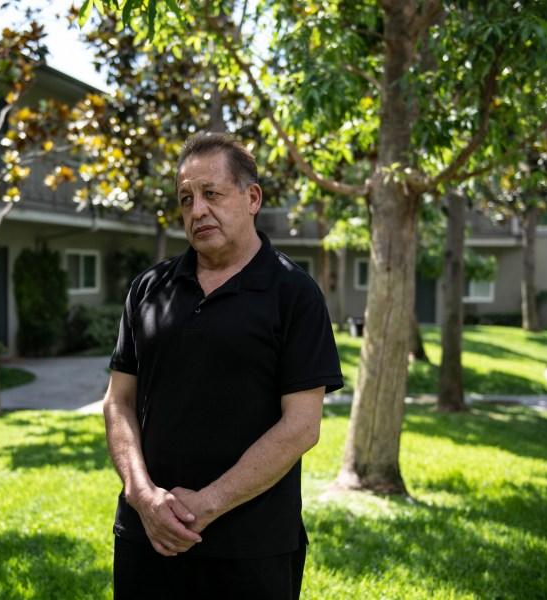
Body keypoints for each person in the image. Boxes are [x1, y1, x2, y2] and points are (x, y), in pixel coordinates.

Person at [103, 131, 344, 599]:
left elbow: (302, 427)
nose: (197, 211)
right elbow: (118, 402)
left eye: (211, 194)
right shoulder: (147, 289)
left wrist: (206, 505)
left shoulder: (294, 293)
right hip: (146, 536)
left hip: (251, 547)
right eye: (186, 199)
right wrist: (142, 495)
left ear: (251, 197)